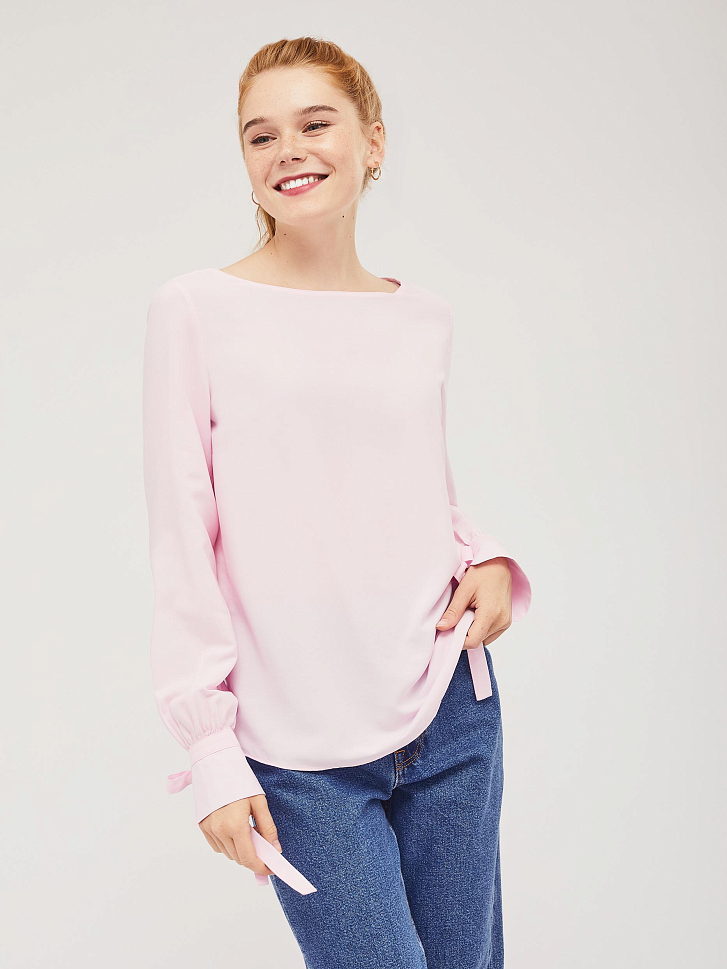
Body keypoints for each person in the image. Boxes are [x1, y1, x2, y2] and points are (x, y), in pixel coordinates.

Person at [142, 36, 532, 969]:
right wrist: (210, 749)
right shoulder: (194, 309)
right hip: (295, 742)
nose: (288, 150)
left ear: (373, 142)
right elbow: (182, 535)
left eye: (315, 124)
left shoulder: (422, 315)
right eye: (260, 135)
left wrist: (483, 556)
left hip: (446, 708)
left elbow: (405, 485)